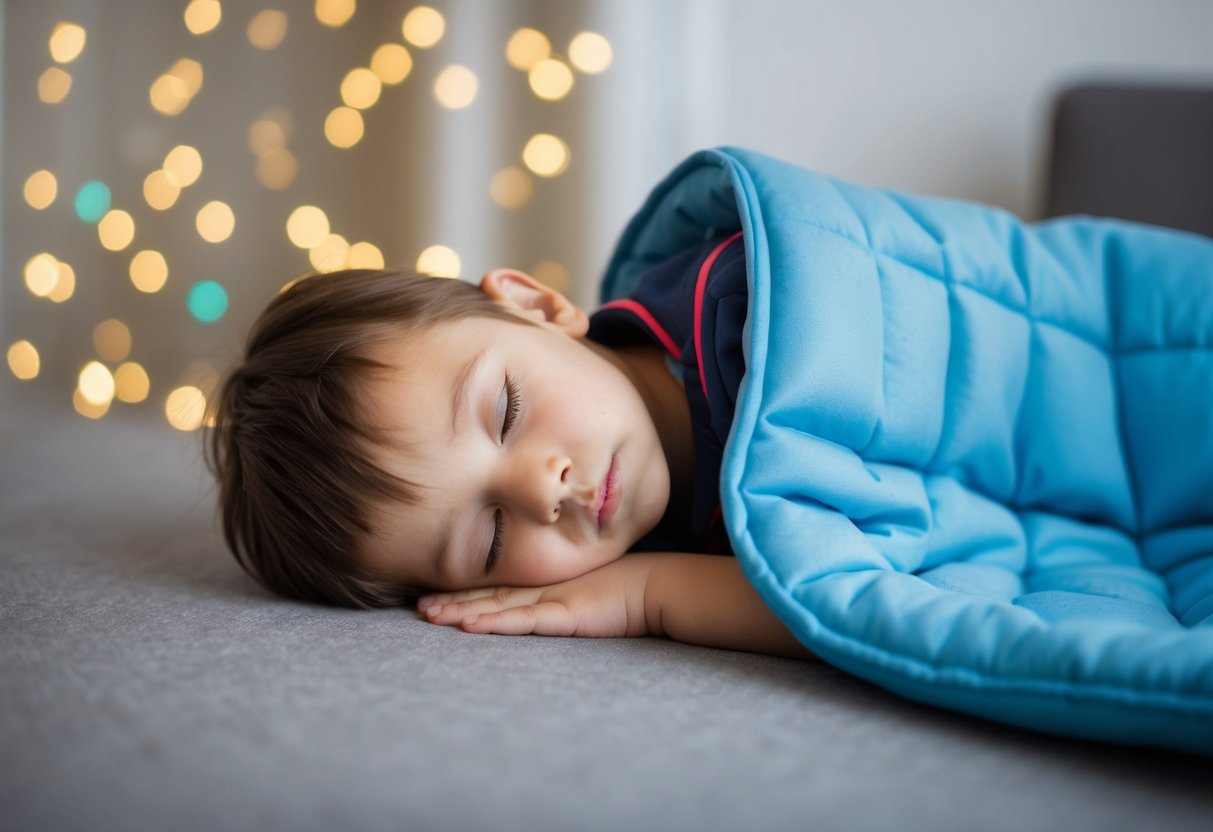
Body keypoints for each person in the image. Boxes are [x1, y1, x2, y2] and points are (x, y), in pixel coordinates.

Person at [207, 236, 812, 660]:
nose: (541, 490)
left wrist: (651, 598)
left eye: (507, 411)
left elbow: (872, 599)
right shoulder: (625, 550)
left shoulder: (751, 308)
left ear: (535, 306)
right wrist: (649, 586)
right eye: (492, 537)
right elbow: (843, 603)